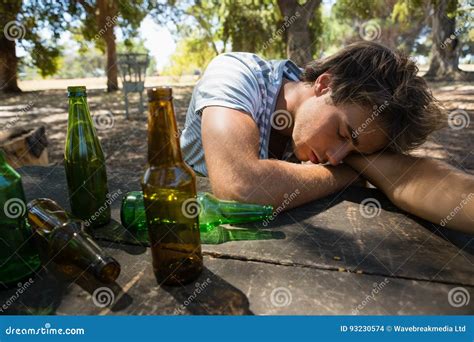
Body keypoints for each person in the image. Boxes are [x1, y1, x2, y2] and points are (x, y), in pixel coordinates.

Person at [180, 41, 473, 235]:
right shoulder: (236, 74)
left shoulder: (343, 134)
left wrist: (353, 158)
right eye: (343, 134)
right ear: (325, 84)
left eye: (351, 151)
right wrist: (346, 172)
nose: (335, 156)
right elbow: (240, 187)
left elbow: (416, 179)